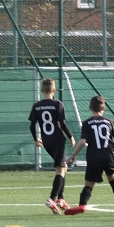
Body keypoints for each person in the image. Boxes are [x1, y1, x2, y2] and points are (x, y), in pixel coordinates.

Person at [64, 96, 114, 215]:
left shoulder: (87, 123)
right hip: (108, 154)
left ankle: (82, 205)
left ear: (90, 107)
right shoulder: (110, 122)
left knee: (89, 184)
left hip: (93, 156)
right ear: (103, 108)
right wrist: (113, 151)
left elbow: (83, 141)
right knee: (113, 180)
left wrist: (73, 155)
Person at [29, 78, 75, 213]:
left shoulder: (36, 106)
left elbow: (32, 125)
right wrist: (71, 137)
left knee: (63, 166)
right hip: (58, 139)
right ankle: (52, 198)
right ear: (54, 90)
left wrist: (36, 139)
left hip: (46, 141)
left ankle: (61, 199)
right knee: (60, 170)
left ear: (41, 90)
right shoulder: (57, 104)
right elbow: (62, 123)